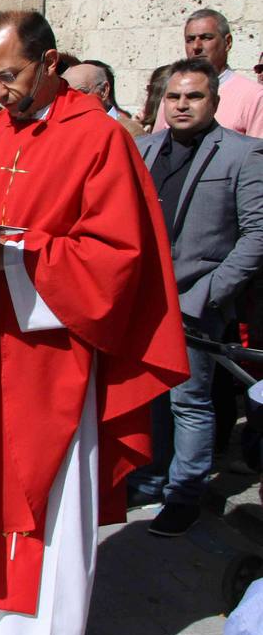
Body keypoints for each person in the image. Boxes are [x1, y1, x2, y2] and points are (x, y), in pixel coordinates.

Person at [0, 10, 188, 635]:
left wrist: (9, 255)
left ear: (51, 61)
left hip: (48, 357)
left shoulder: (98, 140)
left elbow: (115, 257)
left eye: (9, 76)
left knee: (40, 494)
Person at [126, 57, 263, 536]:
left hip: (195, 301)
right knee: (149, 396)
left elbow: (255, 238)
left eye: (194, 96)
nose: (182, 105)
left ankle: (185, 492)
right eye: (175, 97)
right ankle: (149, 477)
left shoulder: (243, 154)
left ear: (215, 101)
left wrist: (209, 295)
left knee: (190, 401)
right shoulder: (143, 148)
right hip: (144, 299)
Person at [153, 9, 263, 137]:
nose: (196, 47)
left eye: (206, 38)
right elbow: (158, 143)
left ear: (227, 42)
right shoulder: (174, 91)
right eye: (190, 39)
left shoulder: (254, 96)